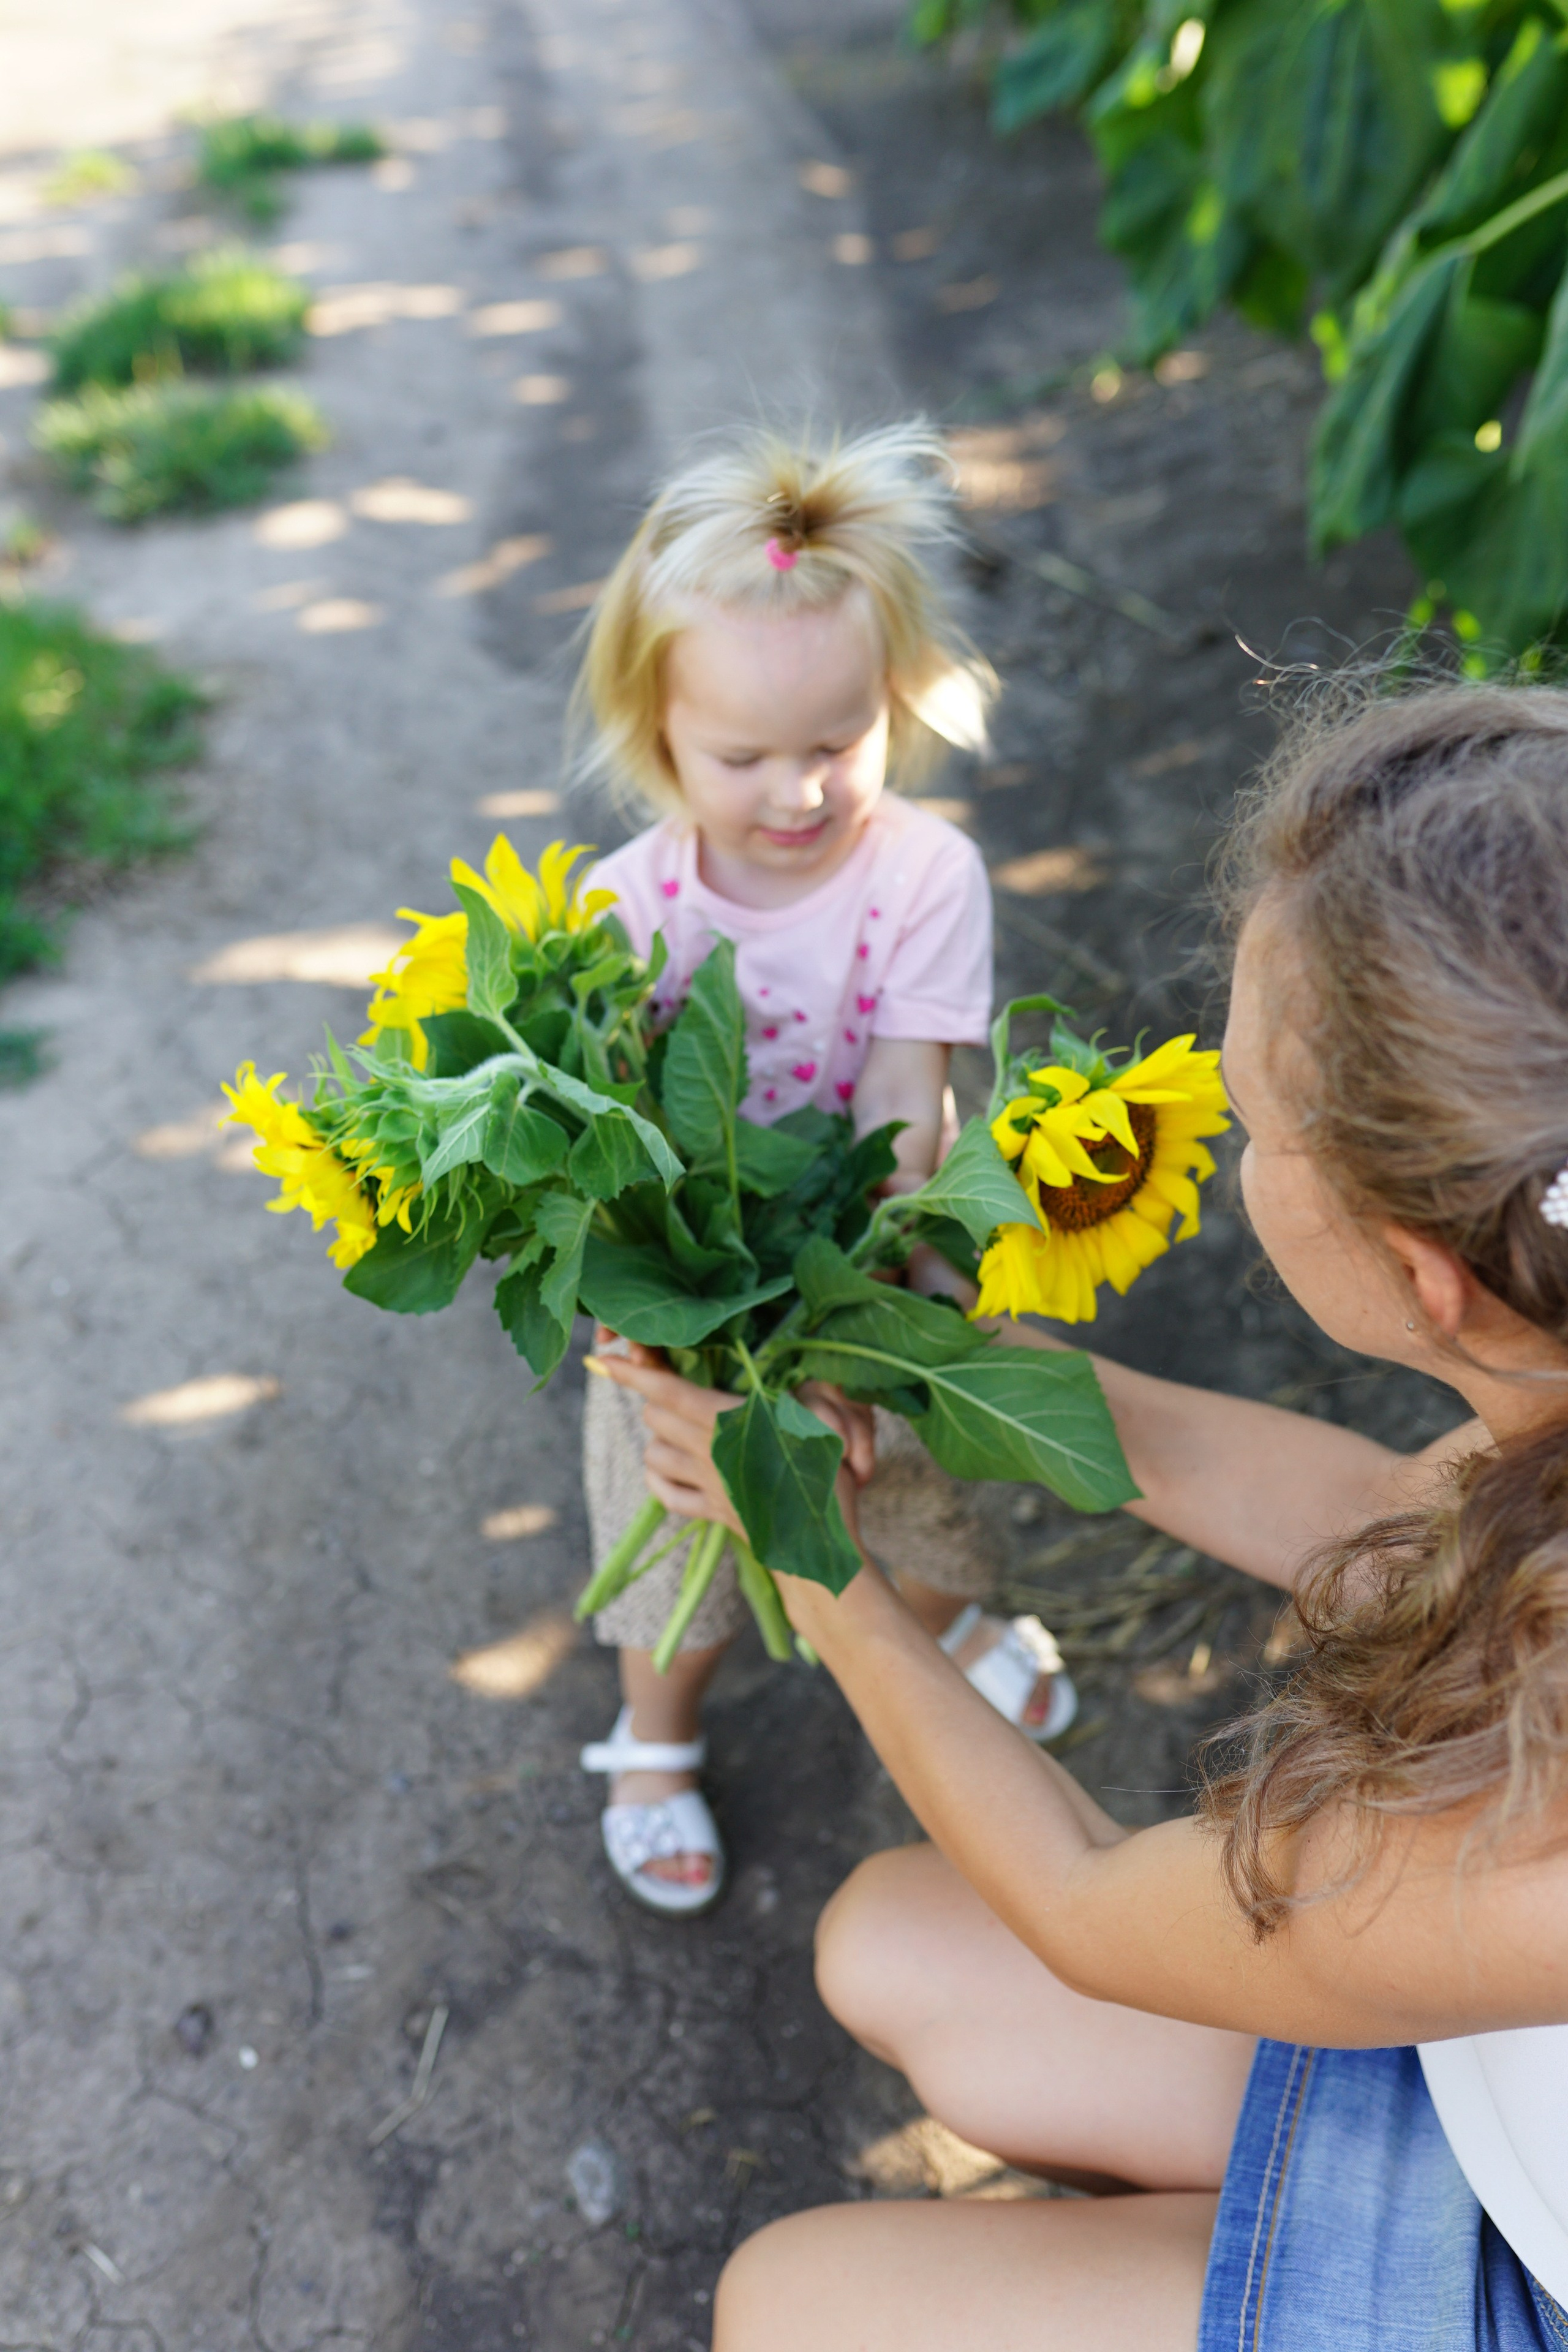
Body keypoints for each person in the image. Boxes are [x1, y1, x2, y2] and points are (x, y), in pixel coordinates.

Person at [595, 683, 1568, 2348]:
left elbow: (1088, 1899)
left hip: (1527, 2264)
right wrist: (955, 1366)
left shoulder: (1535, 1843)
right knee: (887, 1943)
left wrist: (815, 1563)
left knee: (788, 2303)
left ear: (1421, 1275)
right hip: (1508, 2067)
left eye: (1253, 1123)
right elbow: (1401, 1527)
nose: (1226, 1130)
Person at [571, 422, 1077, 1918]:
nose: (796, 792)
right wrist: (676, 1308)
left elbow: (902, 1097)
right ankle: (652, 1741)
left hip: (877, 1257)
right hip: (682, 1300)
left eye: (837, 743)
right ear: (655, 730)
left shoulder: (923, 874)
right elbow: (611, 1144)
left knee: (925, 1489)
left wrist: (840, 1304)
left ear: (895, 704)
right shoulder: (626, 907)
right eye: (743, 756)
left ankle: (939, 1632)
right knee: (676, 1548)